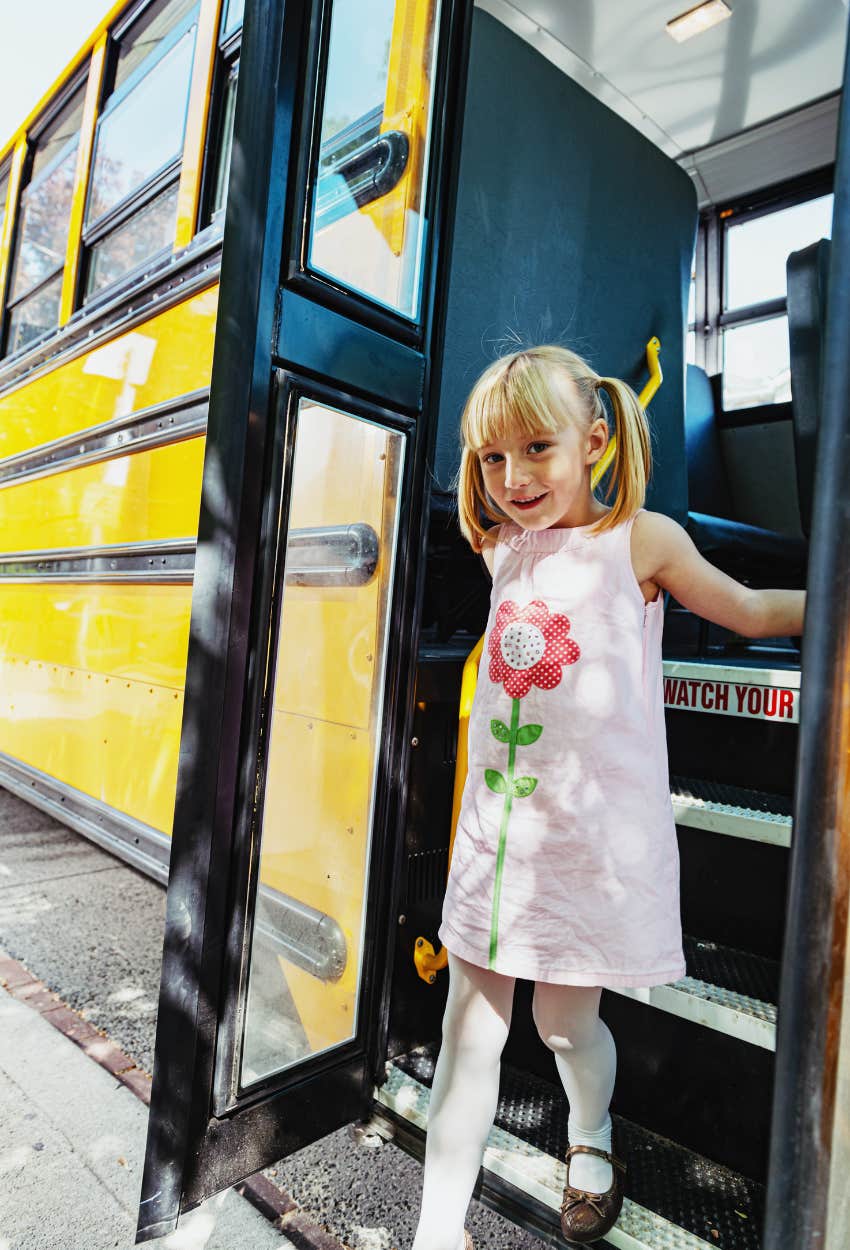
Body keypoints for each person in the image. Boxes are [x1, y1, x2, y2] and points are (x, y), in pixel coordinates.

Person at [411, 345, 806, 1250]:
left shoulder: (643, 540)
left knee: (562, 1022)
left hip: (585, 845)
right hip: (496, 839)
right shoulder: (499, 545)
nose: (513, 478)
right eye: (492, 458)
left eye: (537, 451)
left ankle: (590, 1136)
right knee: (467, 1034)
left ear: (595, 441)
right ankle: (439, 1228)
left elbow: (746, 611)